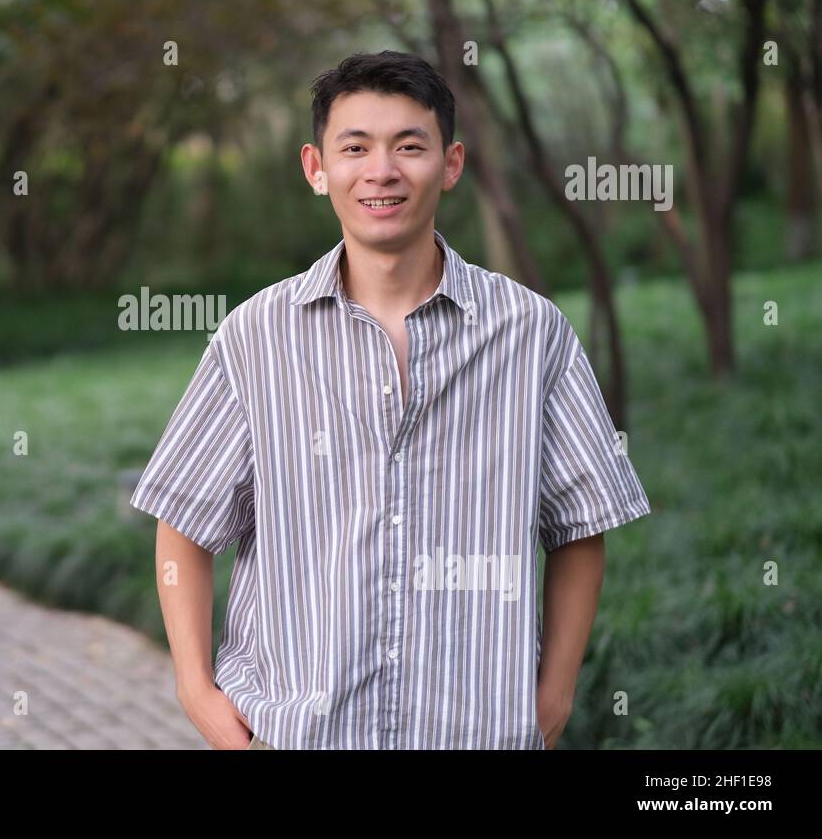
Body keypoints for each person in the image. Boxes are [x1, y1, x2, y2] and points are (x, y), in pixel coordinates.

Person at [130, 50, 652, 750]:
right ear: (318, 169)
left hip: (479, 734)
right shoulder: (254, 338)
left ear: (452, 163)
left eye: (410, 146)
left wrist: (551, 699)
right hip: (297, 732)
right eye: (355, 148)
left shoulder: (532, 335)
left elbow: (581, 526)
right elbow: (184, 524)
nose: (382, 171)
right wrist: (198, 693)